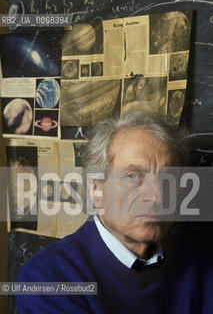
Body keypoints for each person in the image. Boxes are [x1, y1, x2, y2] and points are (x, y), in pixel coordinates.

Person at [17, 110, 213, 314]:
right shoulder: (47, 278)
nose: (156, 197)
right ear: (96, 190)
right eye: (133, 176)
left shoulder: (200, 267)